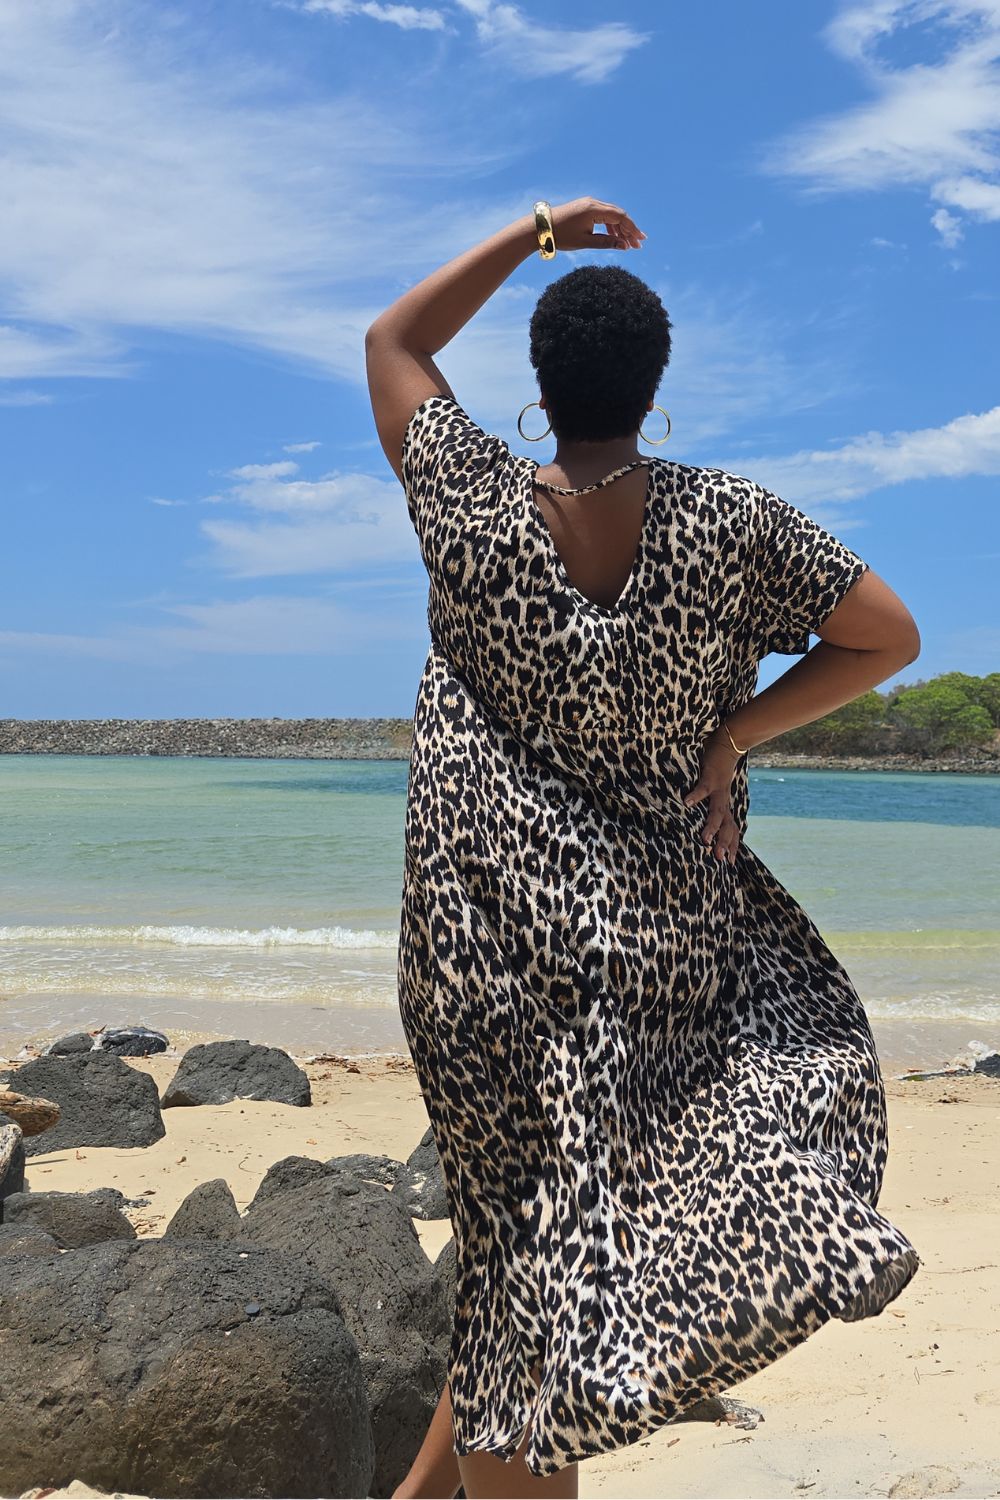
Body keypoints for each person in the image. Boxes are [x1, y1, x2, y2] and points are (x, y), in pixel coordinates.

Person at [365, 198, 922, 1500]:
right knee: (536, 1251)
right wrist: (733, 732)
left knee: (525, 1242)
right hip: (664, 947)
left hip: (488, 938)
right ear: (655, 389)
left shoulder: (471, 498)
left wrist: (539, 232)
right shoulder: (731, 521)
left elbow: (394, 337)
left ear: (536, 385)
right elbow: (886, 639)